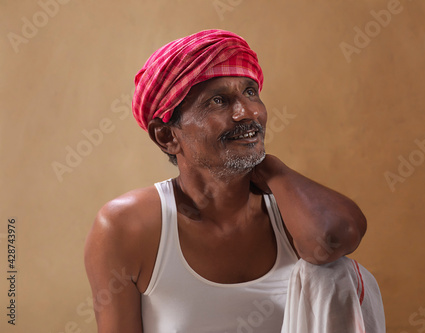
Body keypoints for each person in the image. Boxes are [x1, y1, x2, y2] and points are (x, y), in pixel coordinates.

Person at [84, 29, 385, 333]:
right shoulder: (127, 226)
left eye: (250, 92)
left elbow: (336, 238)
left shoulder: (294, 213)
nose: (247, 112)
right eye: (218, 101)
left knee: (334, 272)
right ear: (166, 136)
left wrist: (273, 170)